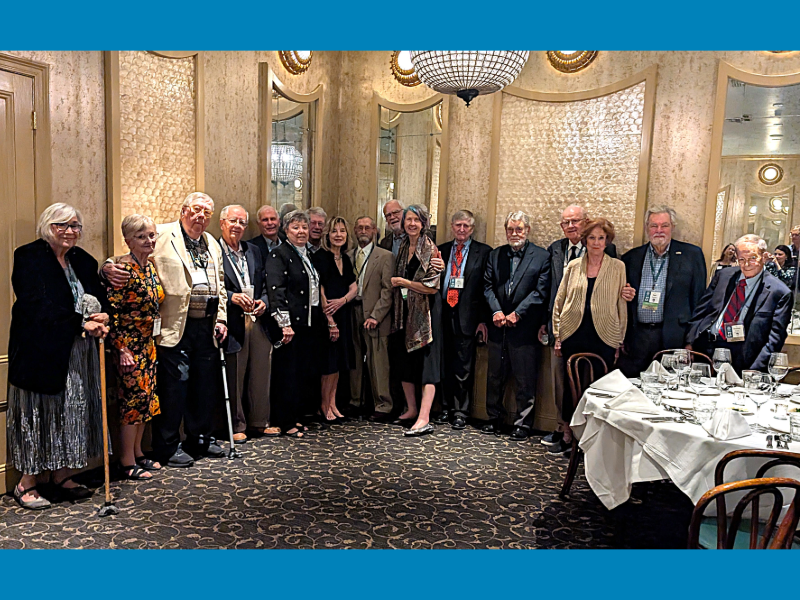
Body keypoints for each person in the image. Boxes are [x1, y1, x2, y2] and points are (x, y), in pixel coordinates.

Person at [103, 192, 228, 468]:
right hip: (173, 326)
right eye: (196, 210)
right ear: (183, 211)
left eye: (207, 212)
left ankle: (200, 439)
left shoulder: (212, 243)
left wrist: (221, 320)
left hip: (206, 325)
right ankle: (168, 446)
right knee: (174, 389)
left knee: (203, 386)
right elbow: (126, 258)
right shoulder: (160, 234)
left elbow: (220, 284)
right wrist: (106, 268)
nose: (201, 216)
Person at [7, 203, 109, 509]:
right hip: (40, 352)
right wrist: (81, 322)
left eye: (75, 226)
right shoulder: (29, 256)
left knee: (71, 413)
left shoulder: (82, 259)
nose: (69, 232)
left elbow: (98, 294)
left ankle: (62, 475)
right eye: (61, 225)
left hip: (78, 352)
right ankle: (27, 482)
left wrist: (104, 316)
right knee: (39, 416)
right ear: (46, 227)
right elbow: (36, 304)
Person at [539, 205, 632, 451]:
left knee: (598, 387)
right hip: (573, 333)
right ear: (585, 240)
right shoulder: (573, 266)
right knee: (571, 388)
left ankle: (592, 440)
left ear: (607, 241)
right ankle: (569, 434)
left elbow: (621, 305)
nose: (596, 242)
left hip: (604, 335)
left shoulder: (617, 267)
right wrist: (558, 335)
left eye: (601, 238)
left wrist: (619, 338)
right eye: (592, 238)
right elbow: (559, 301)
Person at [103, 214, 164, 480]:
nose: (149, 240)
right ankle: (127, 461)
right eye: (141, 237)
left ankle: (139, 453)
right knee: (132, 404)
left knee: (146, 402)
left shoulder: (150, 266)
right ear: (128, 240)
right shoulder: (121, 270)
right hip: (129, 346)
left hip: (149, 344)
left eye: (151, 235)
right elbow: (112, 313)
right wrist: (121, 349)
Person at [483, 210, 551, 440]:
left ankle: (523, 423)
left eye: (519, 229)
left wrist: (518, 314)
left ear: (527, 230)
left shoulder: (542, 256)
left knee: (524, 379)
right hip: (497, 324)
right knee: (495, 376)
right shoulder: (495, 255)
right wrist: (497, 311)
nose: (514, 233)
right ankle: (494, 418)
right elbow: (488, 287)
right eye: (510, 229)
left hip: (524, 327)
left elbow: (540, 292)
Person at [618, 206, 707, 377]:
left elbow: (699, 302)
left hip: (675, 338)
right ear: (646, 228)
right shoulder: (631, 258)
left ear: (673, 227)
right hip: (637, 339)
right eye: (654, 226)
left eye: (664, 225)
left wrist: (691, 342)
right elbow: (622, 298)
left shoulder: (692, 255)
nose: (659, 230)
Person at [219, 205, 280, 443]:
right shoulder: (215, 250)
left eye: (242, 223)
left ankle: (260, 421)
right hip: (233, 319)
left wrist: (265, 301)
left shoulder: (253, 250)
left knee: (261, 371)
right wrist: (232, 297)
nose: (237, 226)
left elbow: (266, 282)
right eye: (233, 221)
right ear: (222, 223)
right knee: (236, 372)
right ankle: (236, 424)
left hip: (258, 317)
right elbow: (212, 284)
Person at [687, 234, 792, 372]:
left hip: (742, 358)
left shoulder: (779, 292)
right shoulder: (724, 276)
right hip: (705, 349)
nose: (747, 264)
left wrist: (755, 370)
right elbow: (701, 311)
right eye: (742, 259)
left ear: (764, 256)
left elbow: (775, 339)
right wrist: (689, 342)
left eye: (753, 258)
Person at [266, 210, 326, 437]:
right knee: (287, 374)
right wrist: (284, 324)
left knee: (302, 373)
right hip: (290, 325)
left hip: (308, 323)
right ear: (286, 230)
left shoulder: (306, 254)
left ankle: (297, 416)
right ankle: (285, 420)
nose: (301, 232)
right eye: (296, 228)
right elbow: (276, 291)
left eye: (304, 227)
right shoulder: (279, 254)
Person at [390, 204, 443, 437]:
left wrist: (404, 283)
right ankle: (411, 410)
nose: (412, 224)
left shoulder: (430, 248)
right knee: (405, 360)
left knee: (427, 365)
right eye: (408, 219)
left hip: (427, 314)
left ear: (424, 223)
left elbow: (432, 287)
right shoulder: (403, 246)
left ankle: (424, 417)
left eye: (416, 220)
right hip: (404, 312)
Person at [436, 210, 491, 430]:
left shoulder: (484, 252)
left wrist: (482, 321)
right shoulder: (441, 250)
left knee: (463, 368)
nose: (461, 229)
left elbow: (486, 289)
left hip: (467, 316)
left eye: (466, 226)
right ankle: (445, 407)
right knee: (443, 364)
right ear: (451, 226)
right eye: (458, 225)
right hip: (442, 314)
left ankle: (461, 411)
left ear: (472, 229)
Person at [347, 216, 395, 422]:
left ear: (375, 230)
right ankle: (356, 401)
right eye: (360, 227)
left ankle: (383, 404)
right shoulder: (348, 256)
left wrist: (376, 315)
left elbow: (388, 290)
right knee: (355, 359)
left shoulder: (385, 256)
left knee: (378, 362)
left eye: (368, 227)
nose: (364, 230)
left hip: (376, 315)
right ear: (355, 231)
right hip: (352, 312)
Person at [314, 216, 358, 422]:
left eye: (342, 231)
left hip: (343, 313)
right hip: (327, 317)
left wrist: (343, 301)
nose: (338, 235)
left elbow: (354, 286)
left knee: (339, 363)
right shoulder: (321, 257)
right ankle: (324, 405)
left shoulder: (346, 258)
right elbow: (319, 290)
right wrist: (330, 319)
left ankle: (333, 403)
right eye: (334, 231)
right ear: (327, 235)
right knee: (328, 364)